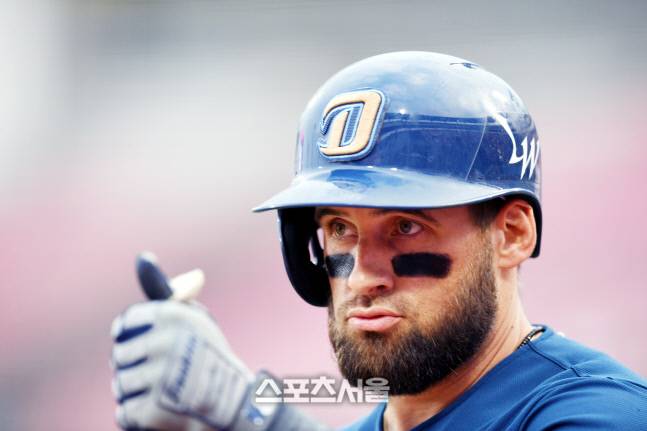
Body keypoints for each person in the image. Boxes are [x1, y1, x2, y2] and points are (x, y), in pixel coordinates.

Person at [110, 51, 647, 431]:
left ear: (512, 234)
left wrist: (257, 415)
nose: (364, 277)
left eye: (406, 226)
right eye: (339, 229)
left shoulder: (603, 413)